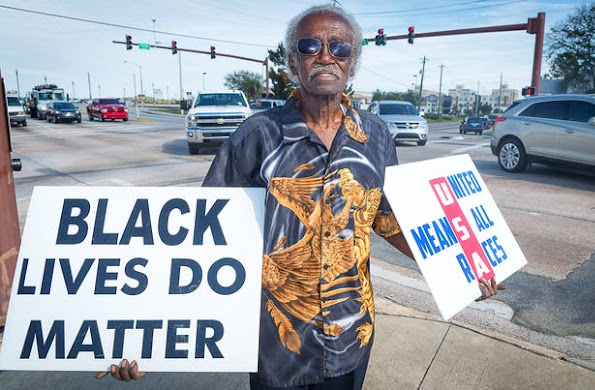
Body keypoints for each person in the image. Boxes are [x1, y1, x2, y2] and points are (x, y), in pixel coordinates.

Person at [99, 4, 503, 388]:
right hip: (276, 343)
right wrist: (143, 340)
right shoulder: (256, 136)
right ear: (293, 63)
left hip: (350, 338)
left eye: (339, 47)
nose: (325, 55)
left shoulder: (377, 136)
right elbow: (202, 240)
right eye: (310, 45)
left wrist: (462, 270)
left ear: (353, 63)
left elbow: (387, 219)